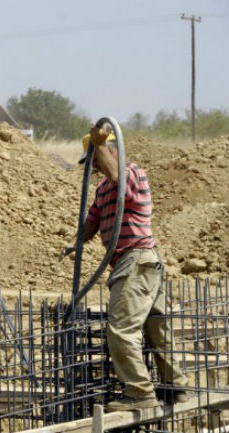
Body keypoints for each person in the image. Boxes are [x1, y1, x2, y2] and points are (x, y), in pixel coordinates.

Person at [63, 126, 189, 412]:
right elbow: (92, 221)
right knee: (157, 330)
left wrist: (98, 145)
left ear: (109, 150)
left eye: (94, 158)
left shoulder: (132, 173)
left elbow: (117, 175)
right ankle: (175, 387)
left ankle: (140, 394)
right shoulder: (102, 188)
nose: (92, 166)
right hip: (137, 264)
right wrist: (75, 242)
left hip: (136, 260)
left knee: (120, 330)